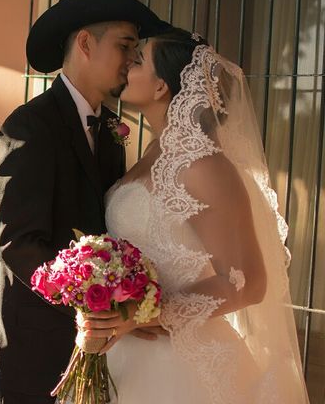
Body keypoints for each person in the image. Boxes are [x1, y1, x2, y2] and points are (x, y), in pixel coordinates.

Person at [81, 28, 310, 403]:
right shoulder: (153, 153)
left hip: (179, 371)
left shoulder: (204, 166)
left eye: (137, 60)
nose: (125, 65)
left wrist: (142, 314)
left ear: (160, 88)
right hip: (129, 357)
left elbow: (247, 283)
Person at [0, 0, 171, 404]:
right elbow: (18, 243)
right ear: (85, 43)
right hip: (29, 359)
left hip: (100, 361)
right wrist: (96, 308)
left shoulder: (110, 134)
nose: (132, 60)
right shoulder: (27, 127)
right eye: (125, 46)